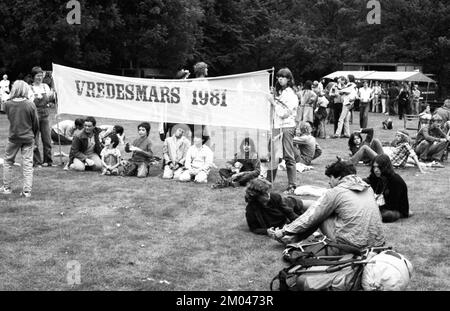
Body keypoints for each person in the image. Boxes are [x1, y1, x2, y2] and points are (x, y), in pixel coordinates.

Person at [267, 159, 385, 249]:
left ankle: (290, 239)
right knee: (323, 211)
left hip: (352, 246)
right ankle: (292, 238)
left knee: (319, 214)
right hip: (376, 243)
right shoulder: (367, 188)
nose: (329, 182)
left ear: (338, 177)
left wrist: (283, 231)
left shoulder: (336, 192)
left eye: (331, 178)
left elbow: (311, 216)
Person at [0, 80, 39, 198]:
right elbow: (35, 123)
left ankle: (6, 187)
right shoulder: (30, 104)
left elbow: (4, 109)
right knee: (27, 164)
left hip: (13, 138)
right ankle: (27, 191)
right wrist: (35, 137)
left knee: (8, 162)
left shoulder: (7, 104)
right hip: (28, 137)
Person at [245, 179, 315, 235]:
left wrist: (300, 223)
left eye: (268, 192)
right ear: (256, 196)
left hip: (290, 203)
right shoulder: (251, 210)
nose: (268, 194)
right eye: (264, 194)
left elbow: (289, 213)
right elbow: (254, 228)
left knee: (316, 207)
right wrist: (266, 231)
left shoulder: (275, 197)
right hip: (283, 221)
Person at [268, 68, 299, 194]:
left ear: (289, 79)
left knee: (288, 156)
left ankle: (292, 185)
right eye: (279, 77)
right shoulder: (280, 93)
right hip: (277, 126)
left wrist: (274, 103)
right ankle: (268, 183)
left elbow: (285, 113)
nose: (280, 79)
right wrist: (273, 98)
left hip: (287, 126)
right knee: (273, 156)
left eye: (283, 77)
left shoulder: (291, 94)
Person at [349, 129, 425, 173]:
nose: (396, 137)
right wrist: (417, 164)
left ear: (403, 137)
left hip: (386, 162)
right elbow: (407, 158)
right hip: (385, 158)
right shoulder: (400, 144)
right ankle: (357, 161)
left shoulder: (406, 145)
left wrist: (421, 170)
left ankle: (348, 164)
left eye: (399, 136)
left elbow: (414, 156)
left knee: (365, 147)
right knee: (375, 140)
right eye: (396, 135)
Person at [364, 154, 410, 223]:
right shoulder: (376, 176)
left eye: (378, 167)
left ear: (385, 167)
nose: (376, 170)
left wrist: (375, 207)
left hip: (395, 210)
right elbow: (368, 181)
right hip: (381, 206)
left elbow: (393, 205)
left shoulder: (395, 180)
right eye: (374, 167)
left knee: (386, 215)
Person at [29, 66, 55, 167]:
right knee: (35, 139)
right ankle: (36, 162)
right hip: (34, 115)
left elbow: (50, 100)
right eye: (37, 76)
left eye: (41, 76)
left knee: (47, 139)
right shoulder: (29, 88)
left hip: (45, 115)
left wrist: (53, 96)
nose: (39, 78)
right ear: (33, 77)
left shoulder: (45, 86)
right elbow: (29, 103)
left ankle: (48, 161)